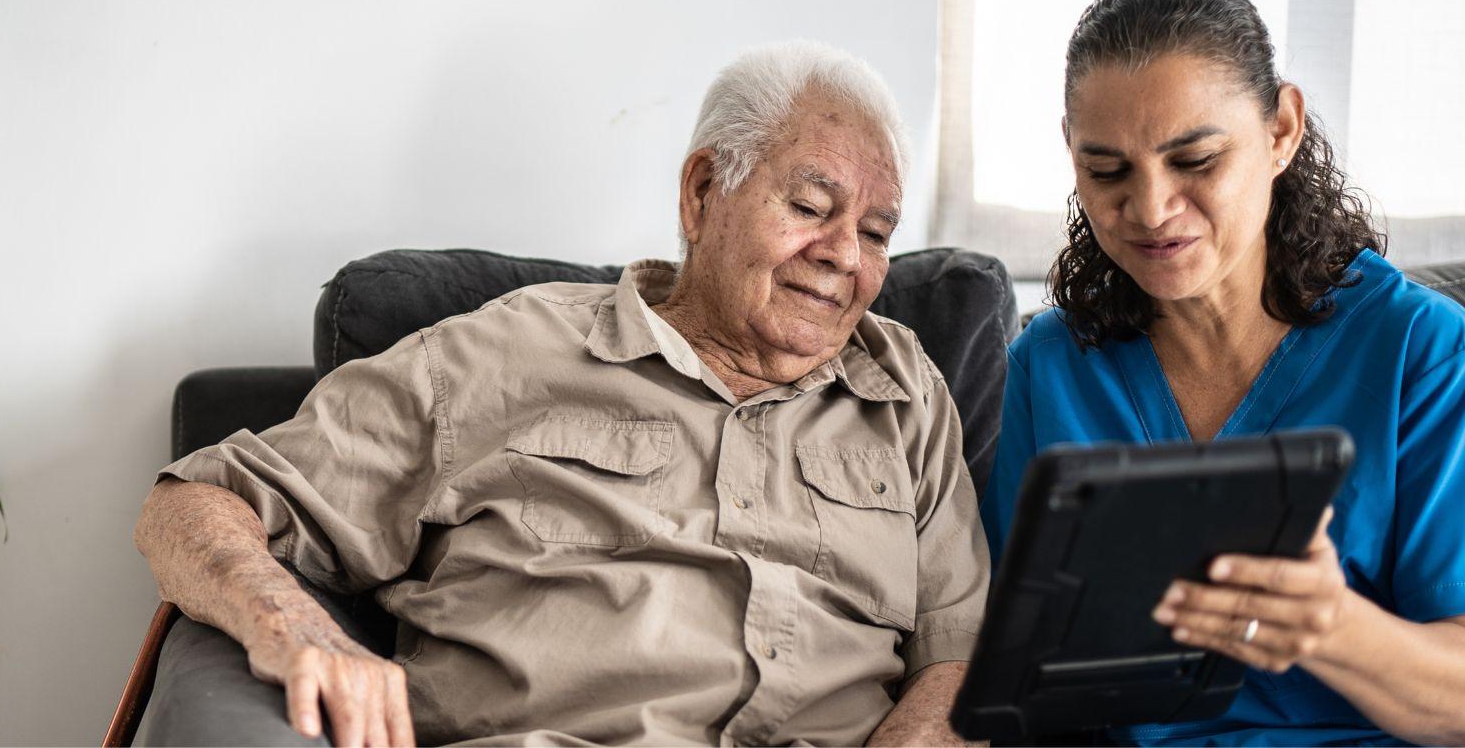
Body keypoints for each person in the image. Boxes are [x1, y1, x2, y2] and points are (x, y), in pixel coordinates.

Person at [135, 41, 990, 747]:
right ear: (702, 194)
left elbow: (959, 650)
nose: (844, 253)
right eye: (811, 205)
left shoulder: (905, 391)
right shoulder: (499, 354)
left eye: (876, 232)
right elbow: (195, 506)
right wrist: (299, 632)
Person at [984, 0, 1465, 746]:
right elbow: (1012, 665)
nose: (1149, 210)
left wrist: (1334, 627)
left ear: (1281, 130)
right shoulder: (1050, 367)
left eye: (1196, 160)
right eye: (1107, 170)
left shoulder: (1421, 353)